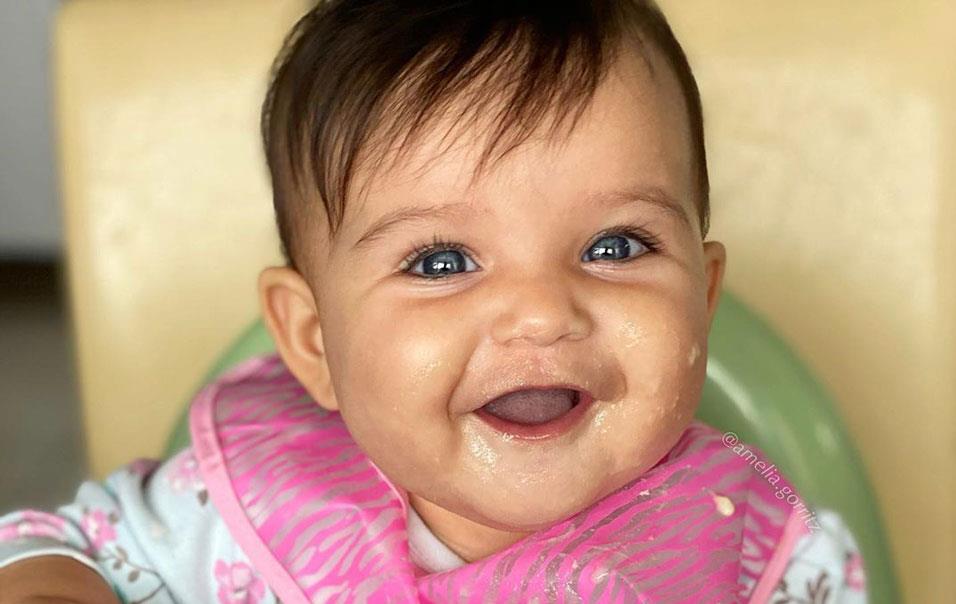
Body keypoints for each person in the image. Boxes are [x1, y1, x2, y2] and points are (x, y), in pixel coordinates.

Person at [0, 1, 869, 602]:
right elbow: (50, 547)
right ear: (311, 341)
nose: (540, 313)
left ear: (702, 298)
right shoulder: (236, 514)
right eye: (442, 259)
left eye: (616, 245)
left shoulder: (757, 557)